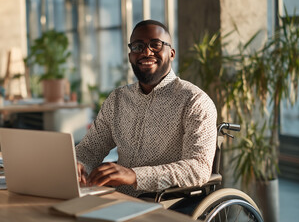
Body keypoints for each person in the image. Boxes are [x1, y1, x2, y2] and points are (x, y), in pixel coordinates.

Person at [76, 20, 217, 198]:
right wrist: (77, 164)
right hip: (117, 198)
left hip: (166, 203)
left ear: (171, 53)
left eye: (156, 45)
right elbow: (90, 149)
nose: (146, 52)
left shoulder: (195, 101)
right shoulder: (117, 99)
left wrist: (135, 176)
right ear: (130, 56)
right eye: (138, 46)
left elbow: (198, 168)